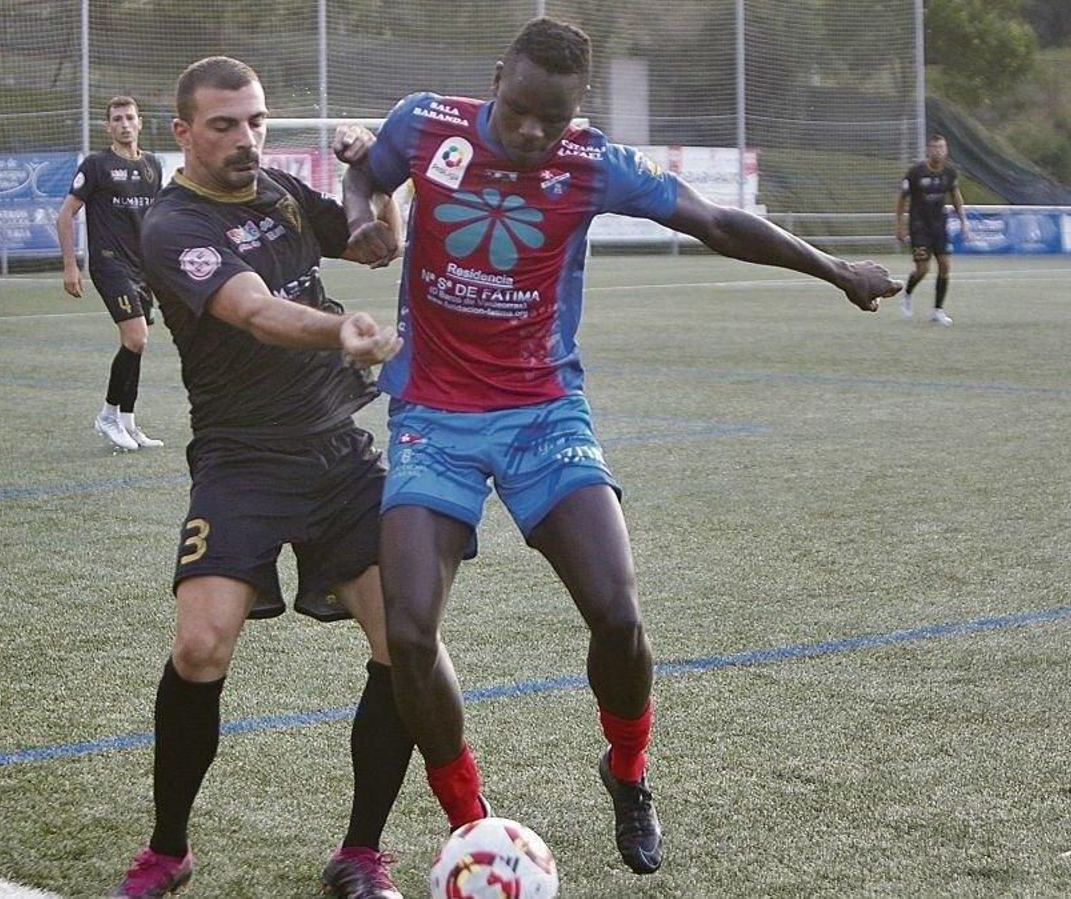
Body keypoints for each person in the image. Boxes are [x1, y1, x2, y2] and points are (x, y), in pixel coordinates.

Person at [342, 16, 900, 878]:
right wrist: (362, 219)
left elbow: (716, 221)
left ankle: (628, 770)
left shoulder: (592, 163)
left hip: (543, 414)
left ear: (578, 109)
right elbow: (365, 175)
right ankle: (471, 821)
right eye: (521, 110)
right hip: (432, 418)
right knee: (411, 635)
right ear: (497, 78)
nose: (534, 132)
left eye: (554, 118)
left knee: (618, 615)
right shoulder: (426, 124)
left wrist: (836, 270)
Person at [111, 56, 410, 899]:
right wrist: (338, 331)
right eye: (224, 125)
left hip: (338, 453)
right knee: (200, 646)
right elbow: (254, 312)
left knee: (405, 642)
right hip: (241, 458)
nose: (246, 139)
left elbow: (379, 244)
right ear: (183, 133)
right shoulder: (171, 224)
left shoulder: (279, 191)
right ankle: (167, 850)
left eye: (256, 121)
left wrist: (378, 173)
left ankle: (360, 853)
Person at [57, 96, 166, 452]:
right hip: (109, 264)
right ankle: (107, 415)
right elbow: (65, 216)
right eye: (117, 119)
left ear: (139, 123)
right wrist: (71, 265)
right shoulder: (97, 165)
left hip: (142, 267)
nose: (124, 124)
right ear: (108, 127)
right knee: (136, 337)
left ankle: (128, 423)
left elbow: (157, 219)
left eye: (130, 118)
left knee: (137, 344)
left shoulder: (152, 166)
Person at [894, 133, 966, 325]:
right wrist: (899, 226)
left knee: (945, 265)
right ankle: (907, 294)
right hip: (919, 227)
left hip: (940, 226)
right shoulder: (916, 172)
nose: (938, 151)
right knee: (923, 269)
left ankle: (938, 310)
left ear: (946, 150)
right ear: (928, 150)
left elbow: (956, 196)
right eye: (934, 147)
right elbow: (902, 199)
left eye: (941, 147)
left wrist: (963, 222)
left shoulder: (950, 172)